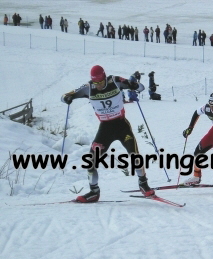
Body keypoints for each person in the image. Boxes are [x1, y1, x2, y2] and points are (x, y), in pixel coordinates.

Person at [60, 65, 154, 202]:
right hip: (105, 129)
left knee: (134, 155)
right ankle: (94, 192)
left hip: (122, 125)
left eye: (101, 82)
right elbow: (64, 96)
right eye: (96, 82)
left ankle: (143, 184)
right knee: (91, 161)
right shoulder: (88, 88)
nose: (98, 85)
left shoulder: (115, 81)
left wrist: (135, 85)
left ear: (104, 77)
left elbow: (141, 88)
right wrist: (67, 99)